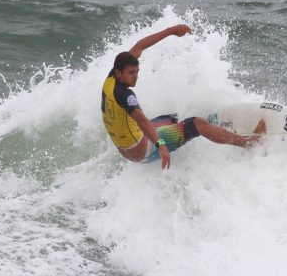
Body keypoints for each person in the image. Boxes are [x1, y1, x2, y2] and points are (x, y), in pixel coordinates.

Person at [101, 24, 264, 170]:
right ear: (119, 72)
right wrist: (161, 146)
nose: (135, 77)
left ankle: (209, 129)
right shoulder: (125, 95)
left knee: (174, 118)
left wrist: (170, 31)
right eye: (131, 73)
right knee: (195, 123)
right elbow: (142, 120)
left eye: (137, 72)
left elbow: (140, 46)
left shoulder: (111, 78)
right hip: (143, 150)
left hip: (128, 148)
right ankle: (248, 143)